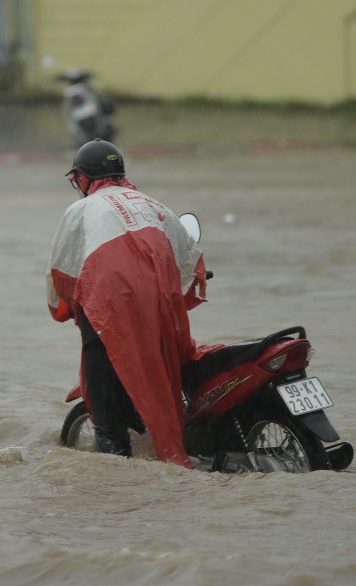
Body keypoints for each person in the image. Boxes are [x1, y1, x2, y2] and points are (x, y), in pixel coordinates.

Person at [47, 139, 206, 467]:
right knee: (164, 375)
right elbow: (190, 263)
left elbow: (61, 272)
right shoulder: (155, 205)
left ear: (84, 178)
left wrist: (59, 308)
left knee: (106, 409)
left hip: (109, 313)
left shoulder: (81, 210)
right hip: (157, 310)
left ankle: (113, 475)